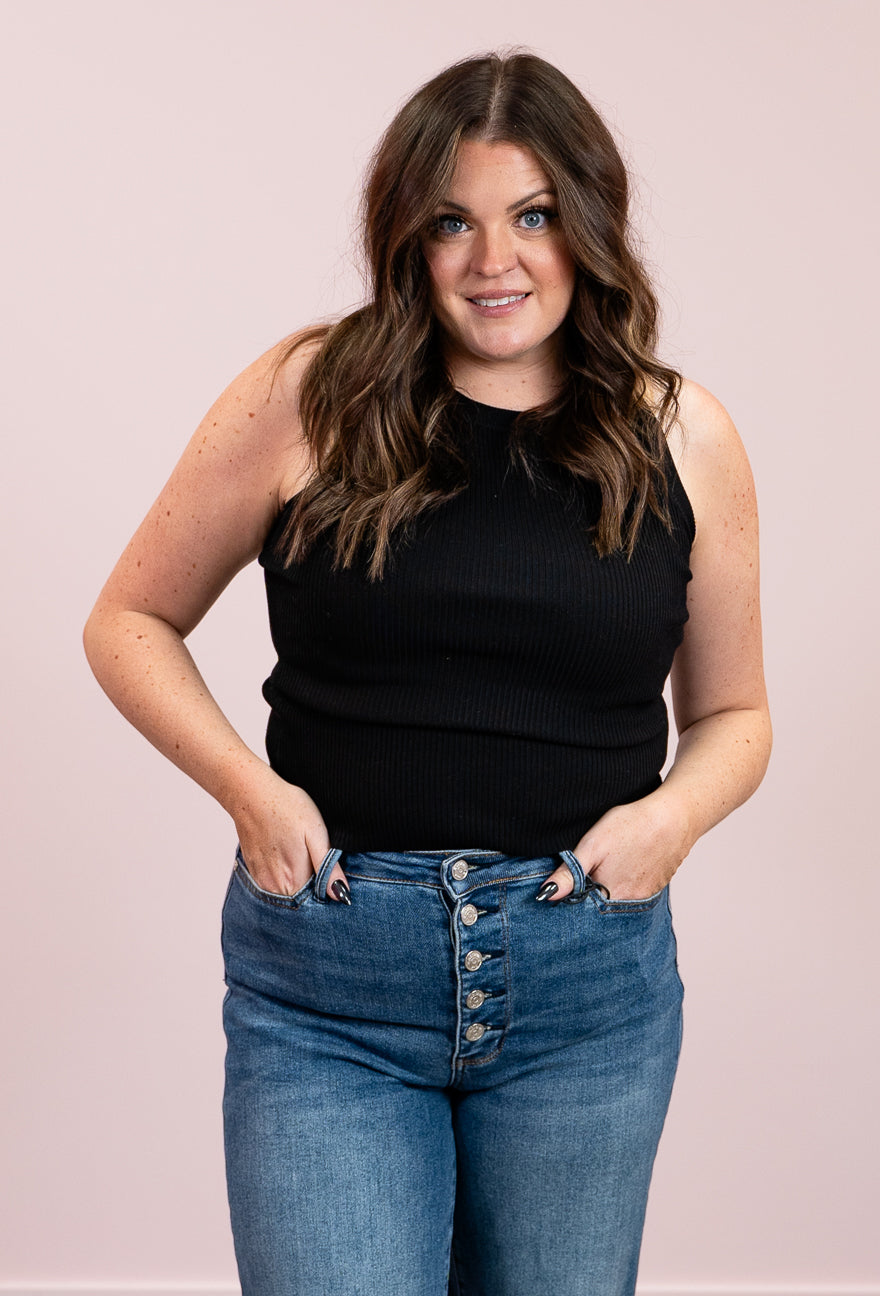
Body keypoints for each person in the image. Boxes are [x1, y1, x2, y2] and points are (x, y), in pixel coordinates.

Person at [83, 50, 771, 1296]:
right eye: (454, 221)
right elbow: (129, 620)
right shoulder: (311, 396)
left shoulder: (683, 436)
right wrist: (252, 793)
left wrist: (667, 825)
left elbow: (734, 715)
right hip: (332, 985)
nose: (494, 260)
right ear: (406, 235)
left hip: (585, 988)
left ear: (591, 224)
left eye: (534, 216)